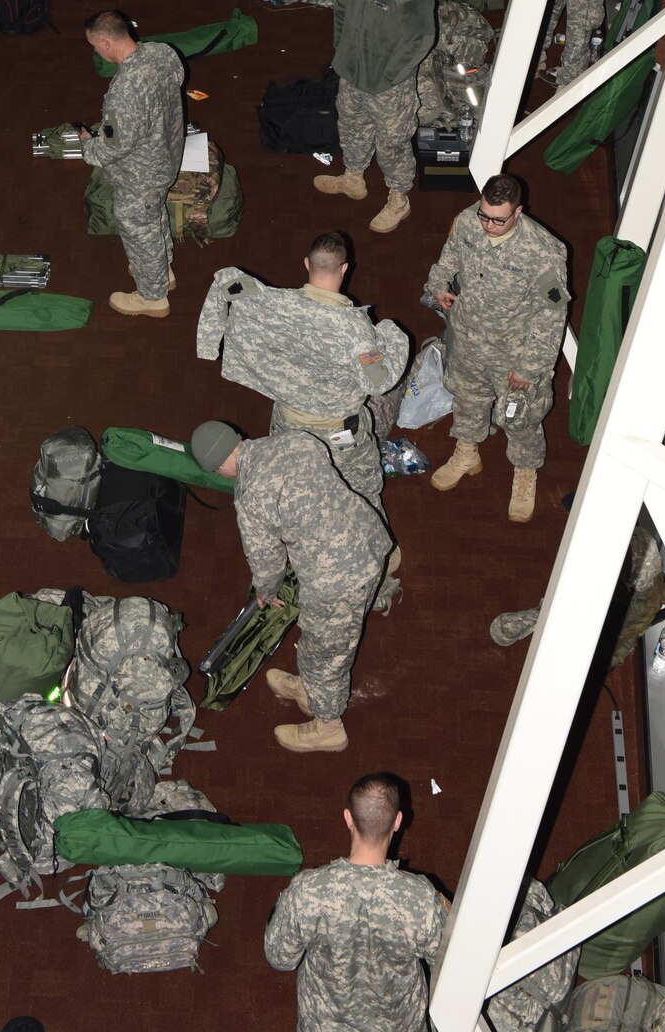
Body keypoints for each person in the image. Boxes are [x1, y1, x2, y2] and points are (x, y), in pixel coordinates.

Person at [190, 420, 393, 753]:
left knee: (326, 654)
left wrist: (265, 592)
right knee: (326, 642)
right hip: (370, 539)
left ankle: (328, 725)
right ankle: (311, 689)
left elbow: (268, 563)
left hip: (338, 580)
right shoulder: (295, 440)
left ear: (218, 466)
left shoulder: (251, 496)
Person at [196, 232, 408, 512]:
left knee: (293, 481)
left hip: (287, 425)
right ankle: (376, 546)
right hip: (339, 436)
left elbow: (225, 280)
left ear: (307, 264)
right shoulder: (356, 331)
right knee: (362, 486)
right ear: (345, 268)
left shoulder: (274, 303)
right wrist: (393, 334)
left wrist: (208, 346)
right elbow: (380, 381)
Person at [425, 172, 570, 523]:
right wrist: (439, 284)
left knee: (518, 418)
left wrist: (529, 368)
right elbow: (448, 260)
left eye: (498, 220)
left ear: (518, 212)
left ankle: (524, 472)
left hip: (512, 356)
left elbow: (551, 317)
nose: (488, 224)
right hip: (468, 341)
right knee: (468, 399)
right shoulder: (466, 221)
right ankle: (467, 451)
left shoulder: (543, 252)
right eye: (485, 215)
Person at [264, 773, 448, 1031]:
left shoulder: (307, 891)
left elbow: (280, 958)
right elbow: (450, 962)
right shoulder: (421, 898)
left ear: (348, 818)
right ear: (397, 822)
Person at [315, 0, 436, 235]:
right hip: (352, 73)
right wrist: (340, 47)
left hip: (387, 87)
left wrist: (391, 75)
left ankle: (399, 199)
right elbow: (340, 6)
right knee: (352, 124)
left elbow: (421, 39)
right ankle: (353, 178)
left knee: (392, 143)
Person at [80, 9, 184, 318]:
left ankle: (153, 297)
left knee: (139, 226)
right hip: (166, 156)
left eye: (94, 45)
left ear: (106, 43)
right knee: (153, 214)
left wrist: (88, 144)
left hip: (140, 174)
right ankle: (161, 269)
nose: (95, 51)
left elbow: (113, 148)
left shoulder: (126, 89)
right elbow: (177, 80)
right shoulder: (160, 52)